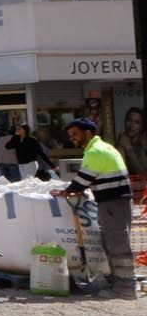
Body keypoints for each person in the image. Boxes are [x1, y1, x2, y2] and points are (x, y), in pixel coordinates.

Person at [58, 116, 136, 298]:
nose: (72, 138)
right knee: (113, 243)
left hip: (113, 203)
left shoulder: (95, 152)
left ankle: (125, 288)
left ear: (88, 132)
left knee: (117, 245)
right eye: (70, 135)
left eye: (75, 134)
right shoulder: (105, 148)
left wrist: (67, 191)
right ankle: (120, 284)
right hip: (115, 202)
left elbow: (83, 180)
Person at [121, 106, 147, 179]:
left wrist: (129, 149)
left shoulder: (144, 145)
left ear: (142, 126)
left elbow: (144, 176)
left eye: (137, 122)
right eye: (129, 120)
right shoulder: (122, 141)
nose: (132, 125)